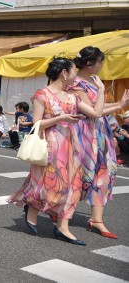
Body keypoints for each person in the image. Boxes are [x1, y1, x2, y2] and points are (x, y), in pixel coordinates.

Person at [8, 57, 106, 246]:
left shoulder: (72, 96)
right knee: (48, 183)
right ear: (64, 73)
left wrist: (101, 91)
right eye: (73, 71)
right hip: (50, 145)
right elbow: (37, 123)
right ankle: (32, 209)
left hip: (71, 145)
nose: (76, 75)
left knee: (73, 185)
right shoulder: (42, 94)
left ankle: (63, 227)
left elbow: (96, 114)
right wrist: (60, 118)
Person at [70, 46, 129, 239]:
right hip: (85, 131)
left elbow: (100, 108)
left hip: (100, 130)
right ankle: (55, 205)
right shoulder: (76, 83)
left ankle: (96, 219)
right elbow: (92, 111)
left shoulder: (93, 81)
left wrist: (120, 105)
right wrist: (115, 103)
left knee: (106, 170)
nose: (102, 65)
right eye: (100, 62)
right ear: (89, 64)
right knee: (80, 173)